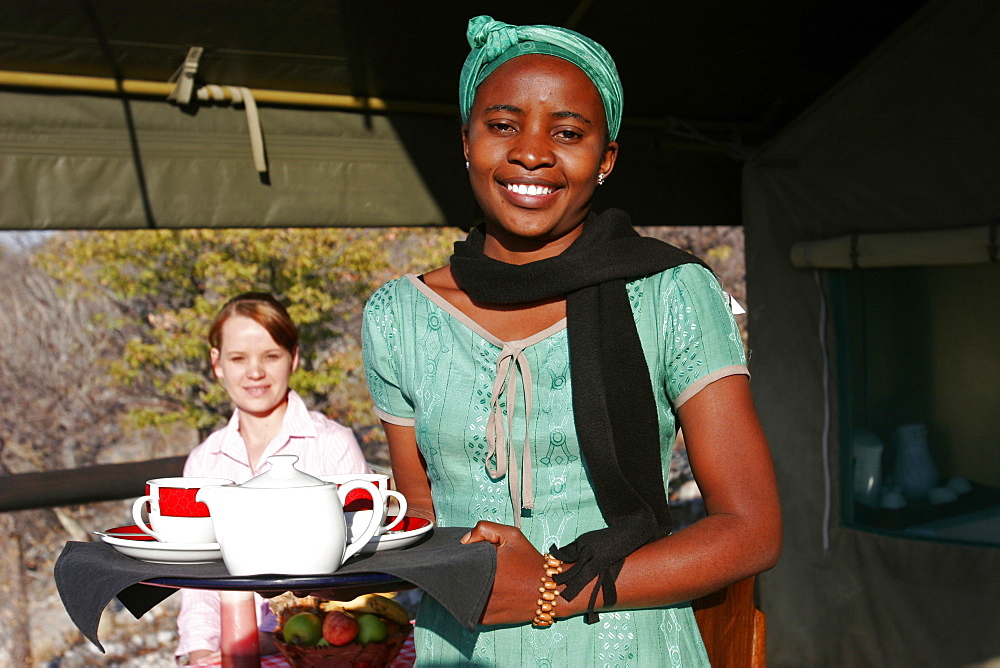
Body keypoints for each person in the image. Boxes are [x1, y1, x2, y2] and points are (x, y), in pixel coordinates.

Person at [361, 15, 782, 666]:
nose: (533, 151)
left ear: (606, 158)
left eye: (568, 132)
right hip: (462, 651)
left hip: (629, 647)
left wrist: (553, 588)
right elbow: (422, 515)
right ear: (467, 141)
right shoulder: (400, 316)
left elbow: (751, 531)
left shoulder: (669, 293)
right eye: (503, 125)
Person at [176, 292, 370, 666]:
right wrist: (201, 654)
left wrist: (269, 643)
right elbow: (197, 587)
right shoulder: (204, 462)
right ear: (216, 364)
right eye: (238, 358)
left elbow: (356, 576)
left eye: (271, 356)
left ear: (293, 357)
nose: (255, 373)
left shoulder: (332, 446)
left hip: (318, 654)